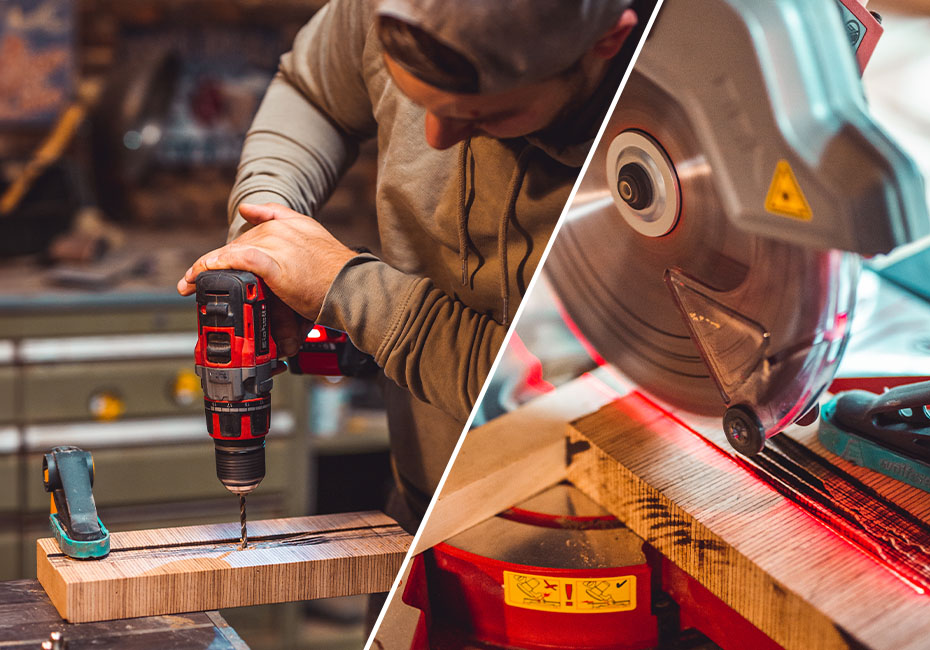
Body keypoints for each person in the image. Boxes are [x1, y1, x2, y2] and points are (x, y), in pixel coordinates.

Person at [177, 0, 651, 527]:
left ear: (607, 43)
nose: (434, 138)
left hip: (580, 525)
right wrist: (265, 228)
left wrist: (355, 294)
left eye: (484, 114)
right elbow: (315, 93)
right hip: (418, 499)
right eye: (412, 97)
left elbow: (568, 398)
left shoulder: (667, 157)